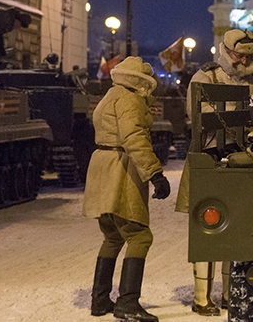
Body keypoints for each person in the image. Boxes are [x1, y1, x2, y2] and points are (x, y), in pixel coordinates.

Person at [174, 28, 253, 316]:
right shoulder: (206, 77)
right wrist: (237, 108)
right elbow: (197, 114)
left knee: (234, 226)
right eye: (239, 56)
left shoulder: (250, 82)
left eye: (248, 57)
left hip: (237, 157)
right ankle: (201, 298)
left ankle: (229, 294)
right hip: (208, 156)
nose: (243, 61)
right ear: (226, 52)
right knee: (206, 229)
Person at [82, 56, 171, 322]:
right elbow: (134, 138)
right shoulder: (130, 100)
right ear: (140, 81)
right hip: (120, 169)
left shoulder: (110, 96)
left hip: (102, 166)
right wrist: (155, 173)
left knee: (112, 236)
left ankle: (100, 299)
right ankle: (128, 303)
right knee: (139, 235)